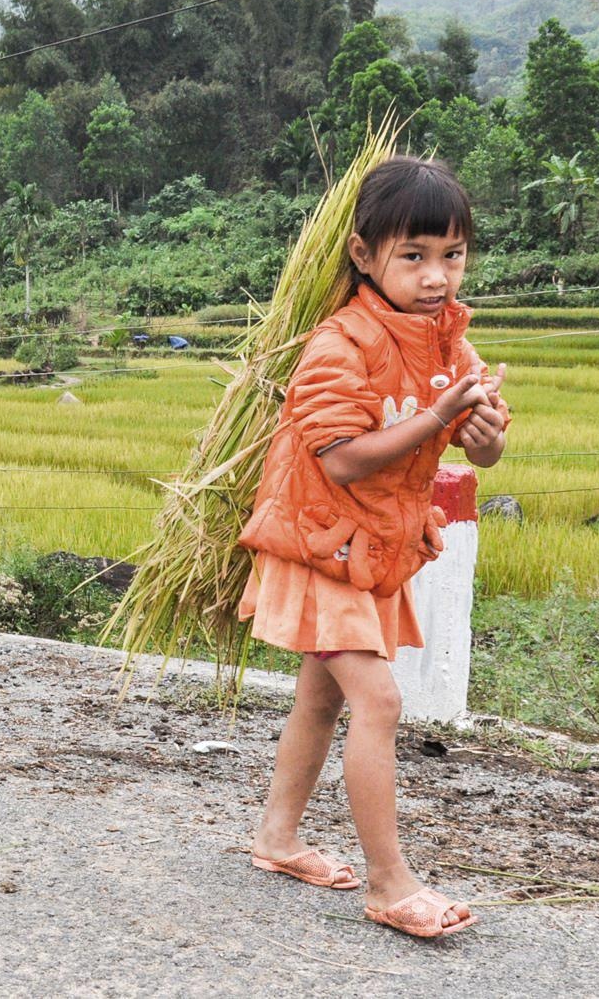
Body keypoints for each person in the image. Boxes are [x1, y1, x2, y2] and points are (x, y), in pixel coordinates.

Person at [234, 156, 510, 938]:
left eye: (451, 255)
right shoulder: (339, 343)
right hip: (319, 538)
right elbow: (342, 457)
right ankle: (392, 884)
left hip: (374, 547)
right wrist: (435, 421)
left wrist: (483, 435)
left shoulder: (450, 343)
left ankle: (276, 838)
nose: (437, 276)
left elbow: (479, 447)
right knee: (380, 699)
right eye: (414, 255)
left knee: (322, 697)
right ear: (364, 254)